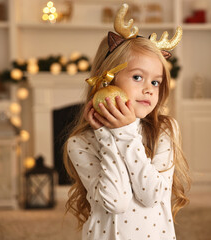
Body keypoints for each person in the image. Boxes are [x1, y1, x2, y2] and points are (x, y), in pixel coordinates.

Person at [63, 4, 191, 240]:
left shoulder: (165, 129)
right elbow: (116, 201)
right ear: (106, 79)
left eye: (155, 82)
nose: (149, 89)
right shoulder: (79, 143)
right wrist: (107, 136)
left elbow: (151, 195)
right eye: (137, 77)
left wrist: (126, 132)